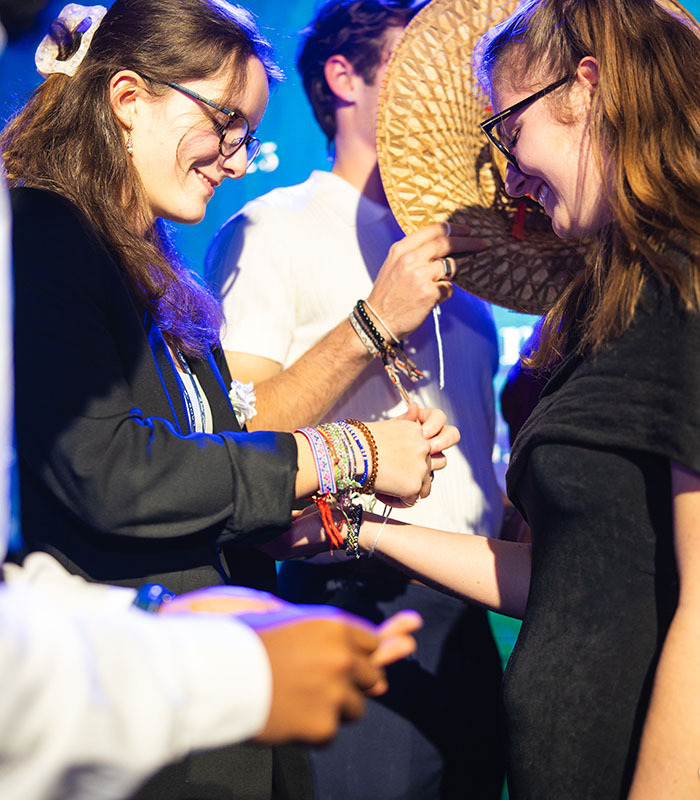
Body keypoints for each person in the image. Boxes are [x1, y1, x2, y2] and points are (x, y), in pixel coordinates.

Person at [2, 2, 456, 799]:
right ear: (128, 100)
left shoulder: (150, 270)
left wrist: (318, 514)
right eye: (226, 124)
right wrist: (345, 451)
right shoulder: (45, 234)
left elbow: (201, 468)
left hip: (214, 702)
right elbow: (114, 473)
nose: (238, 160)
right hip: (125, 712)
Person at [288, 0, 700, 797]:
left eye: (510, 133)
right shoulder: (612, 305)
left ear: (585, 91)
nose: (510, 173)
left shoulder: (685, 287)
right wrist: (360, 526)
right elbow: (575, 574)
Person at [205, 1, 506, 797]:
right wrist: (372, 323)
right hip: (350, 600)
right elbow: (235, 432)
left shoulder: (472, 281)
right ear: (343, 76)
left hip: (473, 612)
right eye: (408, 63)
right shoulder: (274, 228)